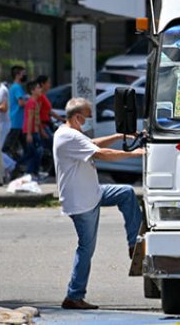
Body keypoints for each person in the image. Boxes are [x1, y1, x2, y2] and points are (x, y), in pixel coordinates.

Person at [54, 97, 145, 310]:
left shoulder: (68, 132)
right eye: (87, 117)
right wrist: (133, 153)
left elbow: (93, 144)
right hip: (82, 202)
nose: (88, 121)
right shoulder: (69, 136)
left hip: (92, 193)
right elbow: (101, 154)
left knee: (126, 193)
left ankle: (134, 244)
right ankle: (74, 296)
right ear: (77, 117)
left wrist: (119, 136)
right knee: (86, 249)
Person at [19, 80, 46, 179]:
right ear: (32, 90)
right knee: (33, 153)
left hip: (35, 131)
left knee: (34, 153)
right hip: (30, 132)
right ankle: (29, 172)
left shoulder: (35, 102)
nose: (40, 90)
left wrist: (41, 131)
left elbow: (37, 119)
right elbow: (30, 119)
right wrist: (29, 134)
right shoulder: (31, 103)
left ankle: (33, 172)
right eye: (38, 88)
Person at [3, 66, 27, 159]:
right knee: (8, 146)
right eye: (23, 73)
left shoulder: (15, 87)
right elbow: (21, 103)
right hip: (16, 121)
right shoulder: (17, 87)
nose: (25, 75)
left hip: (18, 121)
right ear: (17, 75)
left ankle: (24, 166)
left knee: (25, 147)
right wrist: (30, 103)